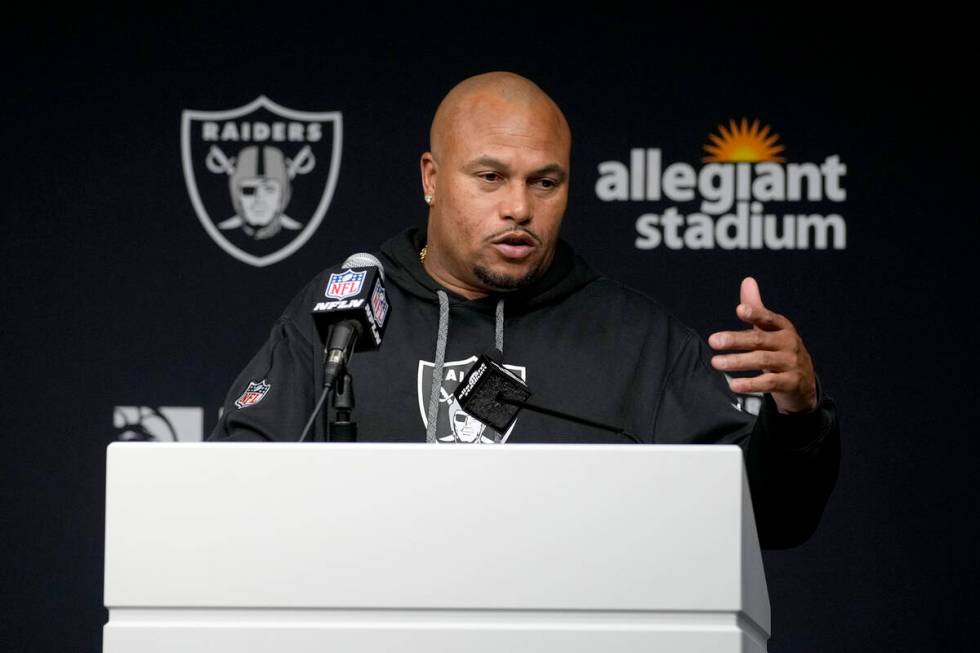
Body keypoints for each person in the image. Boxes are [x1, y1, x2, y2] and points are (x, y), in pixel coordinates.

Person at [210, 71, 839, 549]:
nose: (519, 207)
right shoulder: (341, 318)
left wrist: (797, 414)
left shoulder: (637, 340)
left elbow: (769, 522)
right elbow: (230, 497)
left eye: (545, 182)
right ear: (431, 178)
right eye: (490, 177)